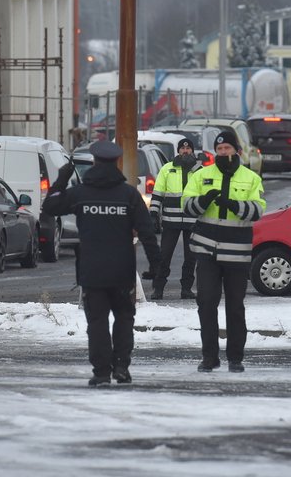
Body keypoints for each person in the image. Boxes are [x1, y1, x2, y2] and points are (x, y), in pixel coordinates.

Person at [42, 140, 160, 387]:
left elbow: (50, 206)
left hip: (92, 272)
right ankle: (122, 369)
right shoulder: (129, 194)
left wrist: (62, 179)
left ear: (94, 162)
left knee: (97, 323)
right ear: (117, 162)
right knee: (124, 320)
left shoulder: (81, 193)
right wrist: (156, 266)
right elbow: (147, 232)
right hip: (122, 271)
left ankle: (101, 373)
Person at [182, 130, 266, 373]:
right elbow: (186, 206)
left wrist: (235, 206)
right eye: (219, 150)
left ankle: (235, 358)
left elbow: (258, 210)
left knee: (235, 307)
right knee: (206, 303)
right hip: (206, 251)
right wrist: (203, 201)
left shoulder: (251, 178)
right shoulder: (202, 175)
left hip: (237, 254)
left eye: (227, 149)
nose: (223, 153)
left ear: (237, 151)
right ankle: (209, 357)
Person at [148, 138, 200, 300]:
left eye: (188, 149)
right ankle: (158, 289)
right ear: (178, 151)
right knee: (164, 256)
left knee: (191, 258)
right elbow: (158, 193)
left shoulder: (200, 171)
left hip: (193, 221)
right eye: (183, 149)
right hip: (170, 221)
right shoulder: (167, 169)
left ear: (192, 151)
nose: (185, 151)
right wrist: (154, 213)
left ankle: (186, 289)